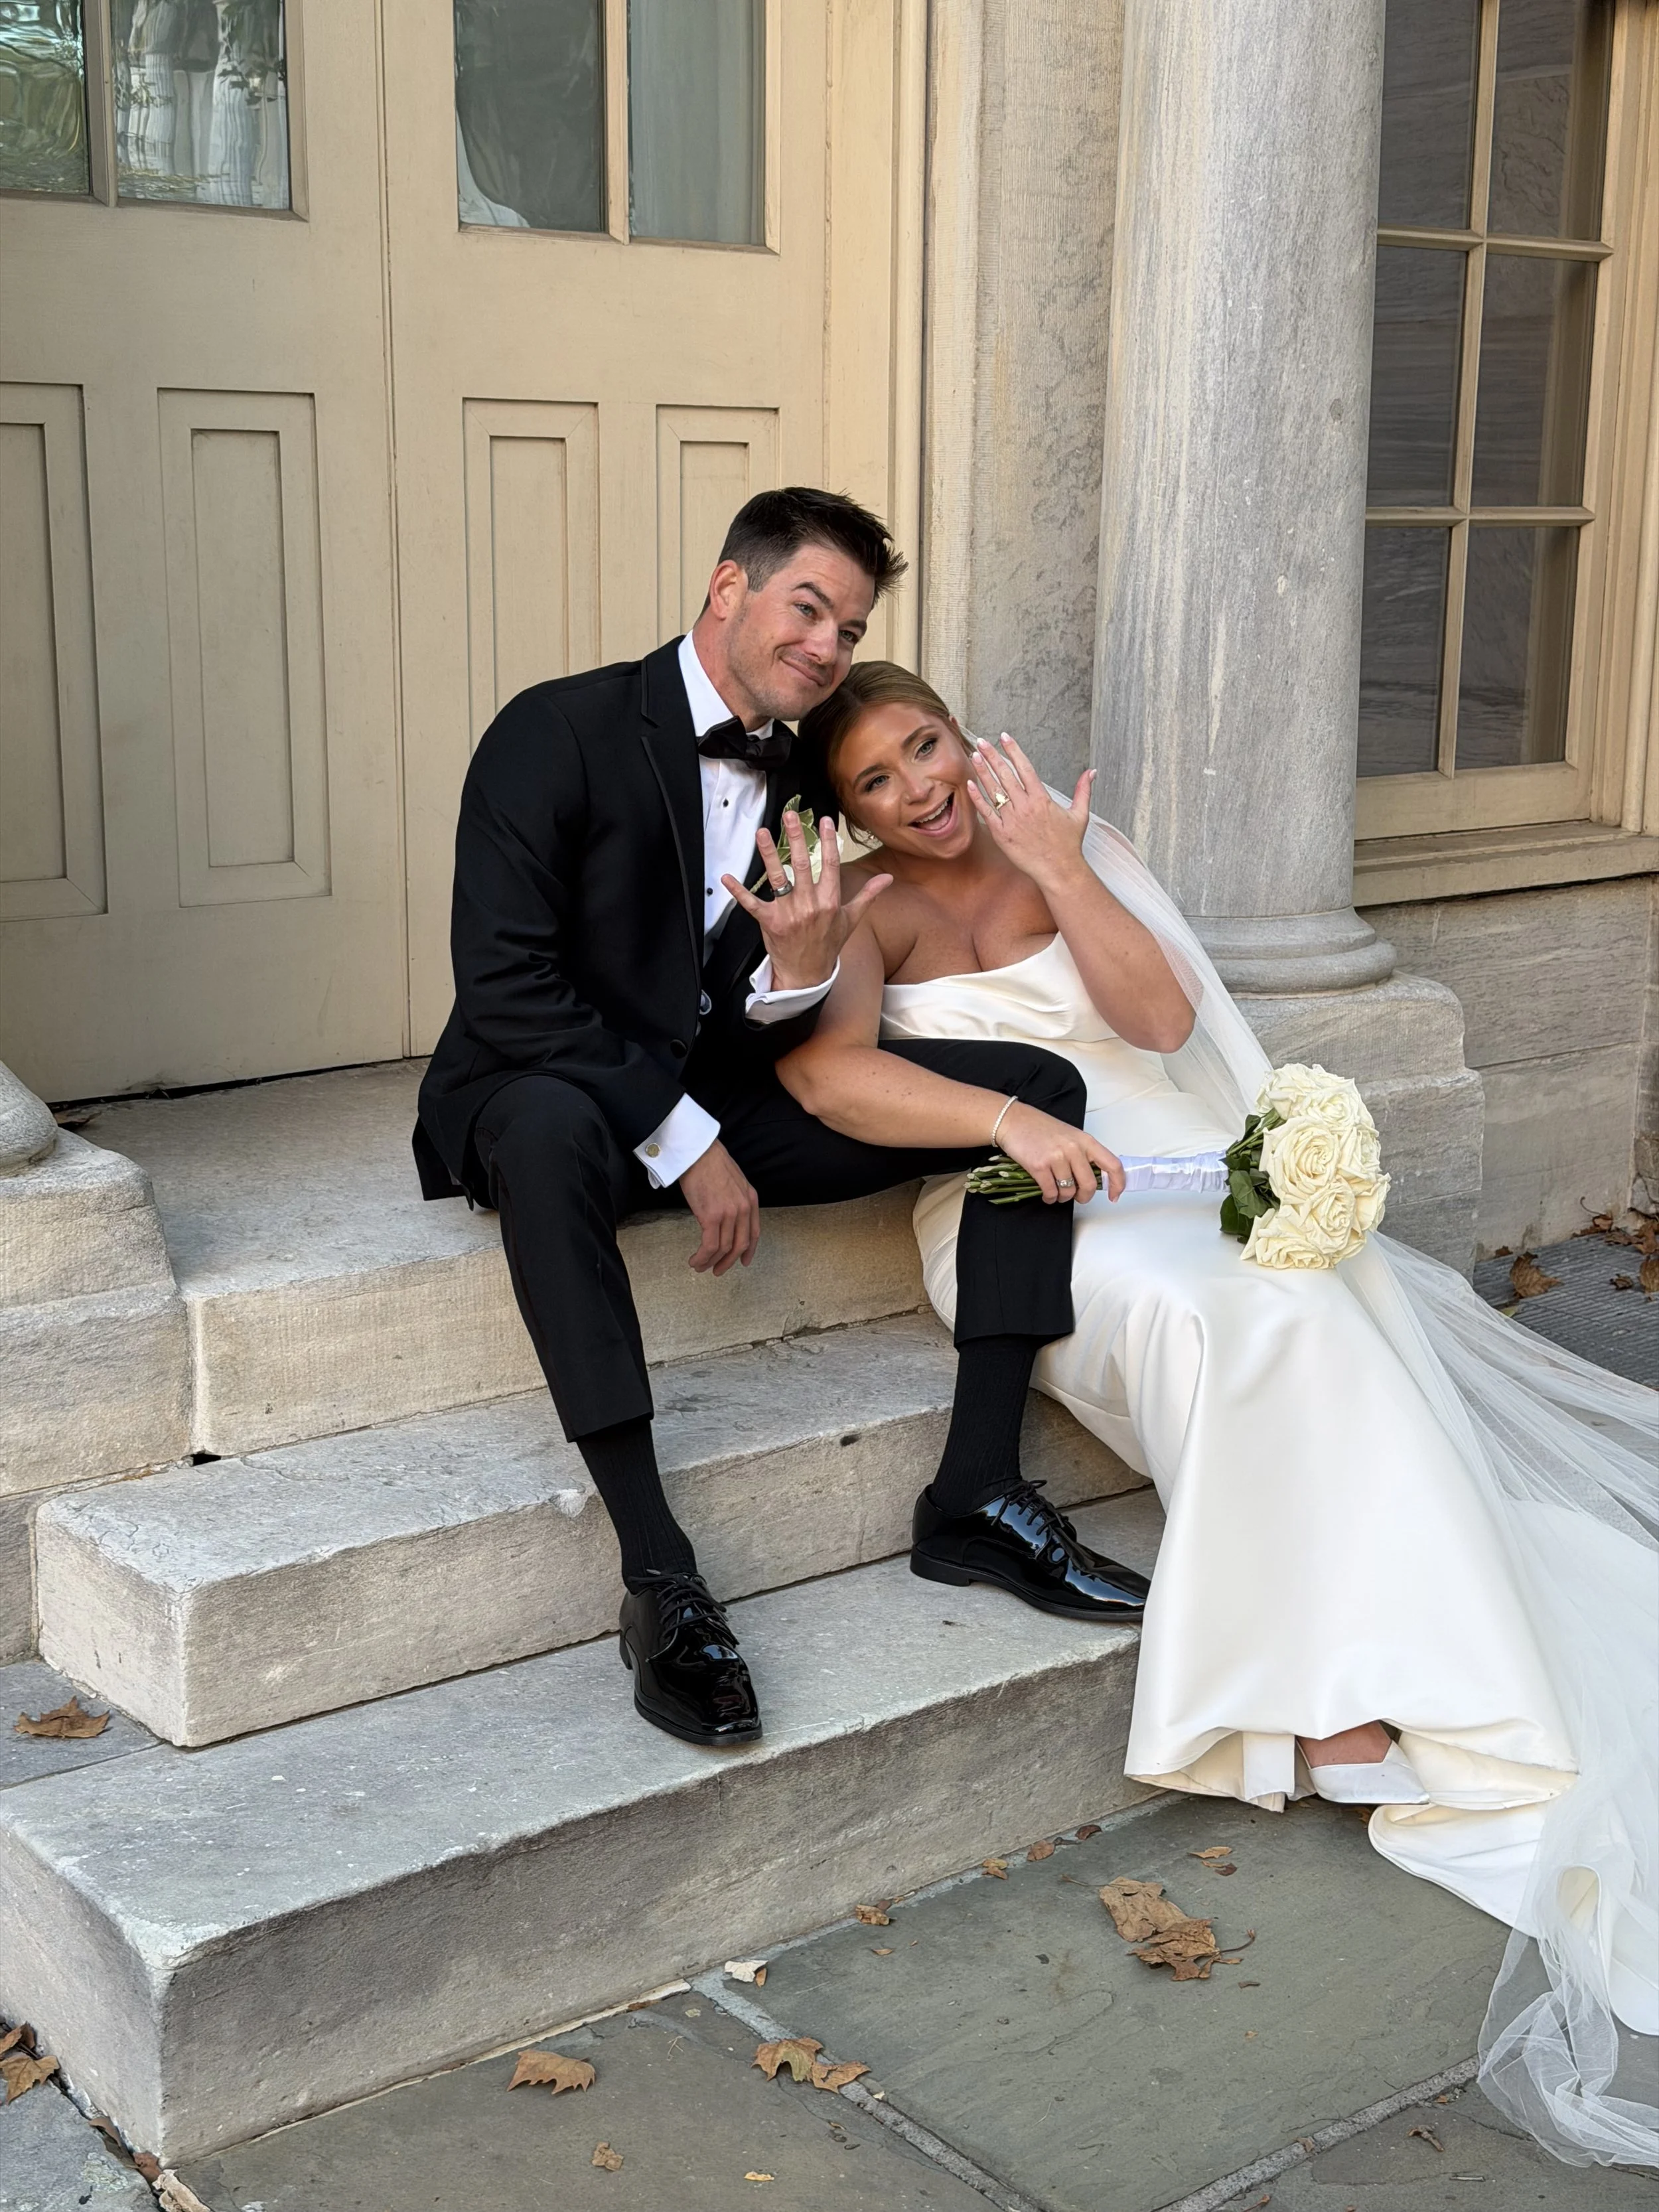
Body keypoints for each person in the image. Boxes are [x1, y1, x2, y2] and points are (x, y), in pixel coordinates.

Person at [778, 659, 1659, 2170]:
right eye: (875, 779)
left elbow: (1156, 1012)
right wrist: (1004, 1118)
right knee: (1207, 1314)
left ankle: (1376, 1677)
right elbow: (832, 1077)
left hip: (1177, 1151)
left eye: (923, 746)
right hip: (1030, 1193)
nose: (917, 789)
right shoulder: (867, 911)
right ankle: (1320, 1701)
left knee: (1299, 1301)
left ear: (960, 735)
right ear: (843, 807)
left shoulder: (1062, 840)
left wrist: (1061, 862)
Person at [413, 490, 1148, 1754]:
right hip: (549, 1097)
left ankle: (977, 1492)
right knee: (541, 1133)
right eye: (809, 607)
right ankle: (659, 1577)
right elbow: (508, 988)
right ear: (728, 589)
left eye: (851, 628)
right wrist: (685, 1139)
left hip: (722, 1090)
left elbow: (772, 1008)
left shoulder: (812, 781)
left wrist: (798, 977)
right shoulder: (557, 731)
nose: (827, 644)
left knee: (1034, 1095)